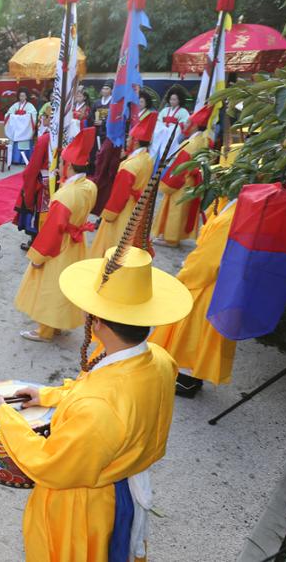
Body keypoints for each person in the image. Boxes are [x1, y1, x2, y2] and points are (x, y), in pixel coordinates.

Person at [0, 244, 191, 562]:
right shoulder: (160, 359)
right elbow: (104, 395)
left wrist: (8, 419)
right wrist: (49, 395)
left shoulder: (98, 408)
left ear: (96, 322)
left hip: (84, 503)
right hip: (124, 483)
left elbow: (51, 465)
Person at [149, 195, 238, 398]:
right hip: (219, 281)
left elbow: (208, 262)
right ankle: (190, 376)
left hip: (207, 283)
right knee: (199, 331)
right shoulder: (231, 206)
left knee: (192, 330)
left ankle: (186, 379)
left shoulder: (230, 219)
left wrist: (185, 275)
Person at [14, 128, 98, 342]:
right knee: (67, 284)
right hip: (76, 242)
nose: (59, 168)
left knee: (50, 286)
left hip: (60, 246)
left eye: (60, 163)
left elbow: (52, 231)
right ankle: (58, 324)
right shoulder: (89, 186)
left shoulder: (65, 195)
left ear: (68, 166)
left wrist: (38, 257)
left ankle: (45, 330)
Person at [88, 115, 156, 259]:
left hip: (123, 211)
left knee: (114, 242)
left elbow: (119, 195)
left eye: (129, 138)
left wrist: (108, 215)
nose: (127, 140)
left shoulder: (130, 165)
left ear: (136, 141)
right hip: (136, 206)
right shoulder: (147, 158)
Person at [153, 109, 212, 247]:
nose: (185, 124)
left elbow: (181, 166)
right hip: (192, 180)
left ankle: (171, 238)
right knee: (183, 209)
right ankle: (175, 236)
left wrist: (170, 183)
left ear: (195, 125)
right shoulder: (204, 139)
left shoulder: (190, 144)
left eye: (188, 122)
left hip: (184, 180)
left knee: (176, 208)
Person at [13, 120, 52, 251]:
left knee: (38, 211)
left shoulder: (45, 139)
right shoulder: (65, 137)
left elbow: (34, 166)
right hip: (58, 179)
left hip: (44, 181)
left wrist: (28, 176)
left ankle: (36, 242)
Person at [150, 88, 189, 162]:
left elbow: (182, 125)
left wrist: (169, 130)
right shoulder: (164, 110)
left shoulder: (184, 112)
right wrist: (164, 129)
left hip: (173, 139)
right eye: (171, 99)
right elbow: (158, 122)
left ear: (179, 100)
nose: (172, 101)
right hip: (161, 137)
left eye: (174, 99)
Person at [4, 88, 37, 165]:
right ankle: (14, 159)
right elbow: (8, 114)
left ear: (26, 97)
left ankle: (23, 160)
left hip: (25, 129)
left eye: (23, 96)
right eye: (20, 96)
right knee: (15, 142)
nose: (22, 97)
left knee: (24, 143)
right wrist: (16, 117)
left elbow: (33, 115)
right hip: (17, 128)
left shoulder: (30, 106)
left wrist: (20, 117)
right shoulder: (15, 105)